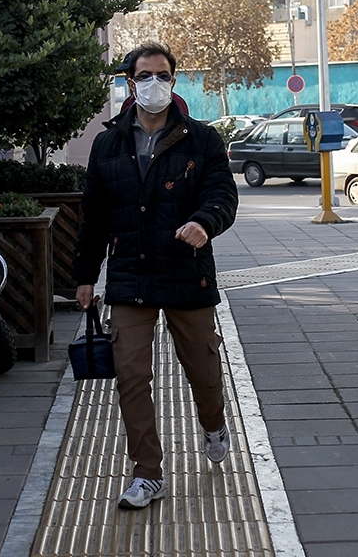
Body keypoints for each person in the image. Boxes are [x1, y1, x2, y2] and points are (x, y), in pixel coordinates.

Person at [74, 41, 239, 510]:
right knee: (130, 376)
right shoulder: (108, 143)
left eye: (162, 75)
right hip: (129, 277)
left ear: (173, 80)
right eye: (144, 75)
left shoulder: (201, 139)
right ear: (130, 83)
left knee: (204, 372)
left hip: (187, 274)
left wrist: (204, 223)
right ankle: (148, 474)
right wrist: (85, 277)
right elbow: (94, 218)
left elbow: (223, 195)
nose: (154, 84)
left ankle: (214, 424)